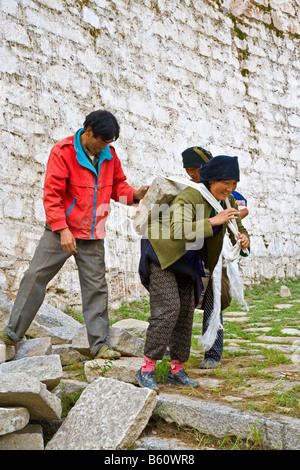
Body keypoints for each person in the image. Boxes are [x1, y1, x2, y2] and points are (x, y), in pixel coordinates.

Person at [0, 110, 149, 360]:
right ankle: (12, 334)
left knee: (96, 288)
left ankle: (100, 345)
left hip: (92, 234)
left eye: (109, 143)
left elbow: (117, 187)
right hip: (60, 231)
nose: (105, 146)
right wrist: (62, 229)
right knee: (34, 276)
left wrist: (135, 195)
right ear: (88, 131)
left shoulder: (109, 155)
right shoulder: (62, 152)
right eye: (102, 141)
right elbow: (52, 195)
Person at [137, 155, 250, 391]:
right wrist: (214, 221)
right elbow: (178, 230)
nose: (230, 189)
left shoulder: (227, 200)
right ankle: (146, 369)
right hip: (163, 254)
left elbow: (237, 225)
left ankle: (176, 370)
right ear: (211, 181)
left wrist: (244, 239)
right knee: (169, 308)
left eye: (234, 185)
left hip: (189, 261)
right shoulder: (190, 196)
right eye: (225, 183)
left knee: (186, 312)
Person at [182, 146, 249, 220]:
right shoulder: (188, 189)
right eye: (187, 170)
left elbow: (244, 210)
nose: (191, 174)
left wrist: (223, 221)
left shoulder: (226, 193)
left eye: (194, 169)